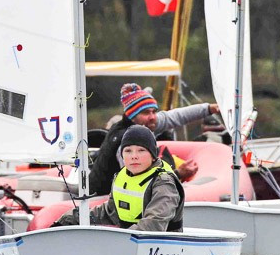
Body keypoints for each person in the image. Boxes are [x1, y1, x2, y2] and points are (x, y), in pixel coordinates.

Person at [88, 83, 217, 196]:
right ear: (133, 115)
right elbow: (137, 182)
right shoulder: (126, 140)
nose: (153, 117)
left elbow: (176, 116)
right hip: (104, 197)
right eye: (146, 113)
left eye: (154, 111)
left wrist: (209, 109)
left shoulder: (144, 123)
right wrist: (178, 173)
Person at [54, 125, 184, 231]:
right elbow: (107, 212)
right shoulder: (122, 176)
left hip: (159, 252)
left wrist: (119, 241)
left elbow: (154, 225)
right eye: (128, 151)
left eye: (141, 150)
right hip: (128, 245)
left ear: (153, 155)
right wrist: (66, 221)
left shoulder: (164, 183)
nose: (134, 156)